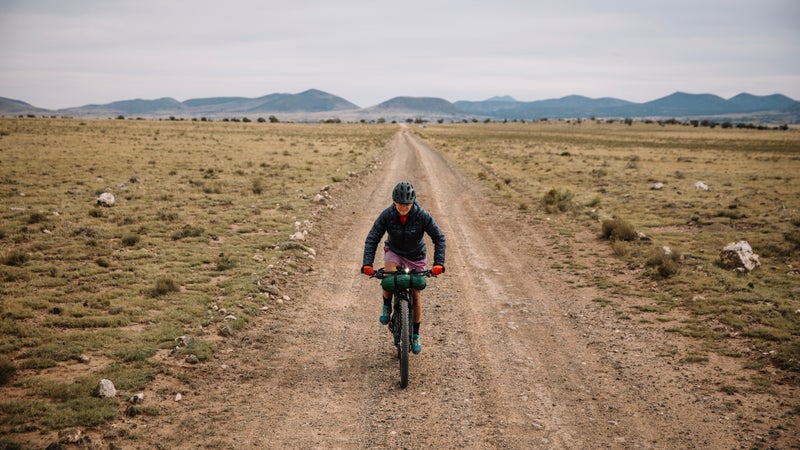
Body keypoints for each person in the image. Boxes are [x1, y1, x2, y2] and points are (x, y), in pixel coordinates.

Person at [361, 181, 446, 354]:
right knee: (389, 278)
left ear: (413, 202)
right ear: (394, 201)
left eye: (407, 204)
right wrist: (367, 264)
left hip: (417, 256)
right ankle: (387, 305)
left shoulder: (422, 215)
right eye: (400, 203)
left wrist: (439, 263)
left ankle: (415, 334)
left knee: (415, 293)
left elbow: (439, 237)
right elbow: (372, 238)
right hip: (395, 252)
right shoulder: (387, 215)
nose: (403, 207)